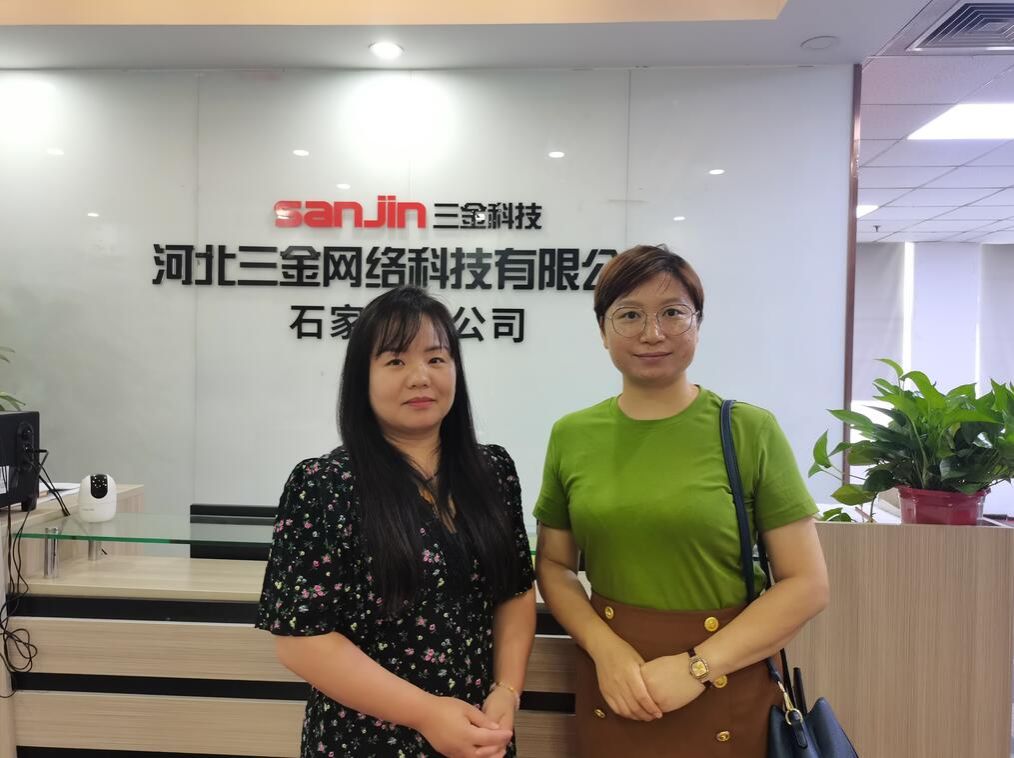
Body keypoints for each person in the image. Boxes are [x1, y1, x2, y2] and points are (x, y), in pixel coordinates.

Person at [534, 244, 830, 757]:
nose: (653, 333)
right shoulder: (572, 435)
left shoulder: (749, 430)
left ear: (698, 323)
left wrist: (697, 667)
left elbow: (806, 584)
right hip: (616, 687)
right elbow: (555, 565)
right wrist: (605, 650)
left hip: (726, 685)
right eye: (630, 315)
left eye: (673, 313)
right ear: (603, 330)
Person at [256, 285, 536, 758]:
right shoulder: (324, 484)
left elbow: (515, 589)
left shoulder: (492, 471)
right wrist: (426, 714)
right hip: (364, 740)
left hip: (479, 734)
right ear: (361, 378)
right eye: (395, 361)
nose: (420, 377)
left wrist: (507, 690)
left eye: (436, 358)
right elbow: (301, 640)